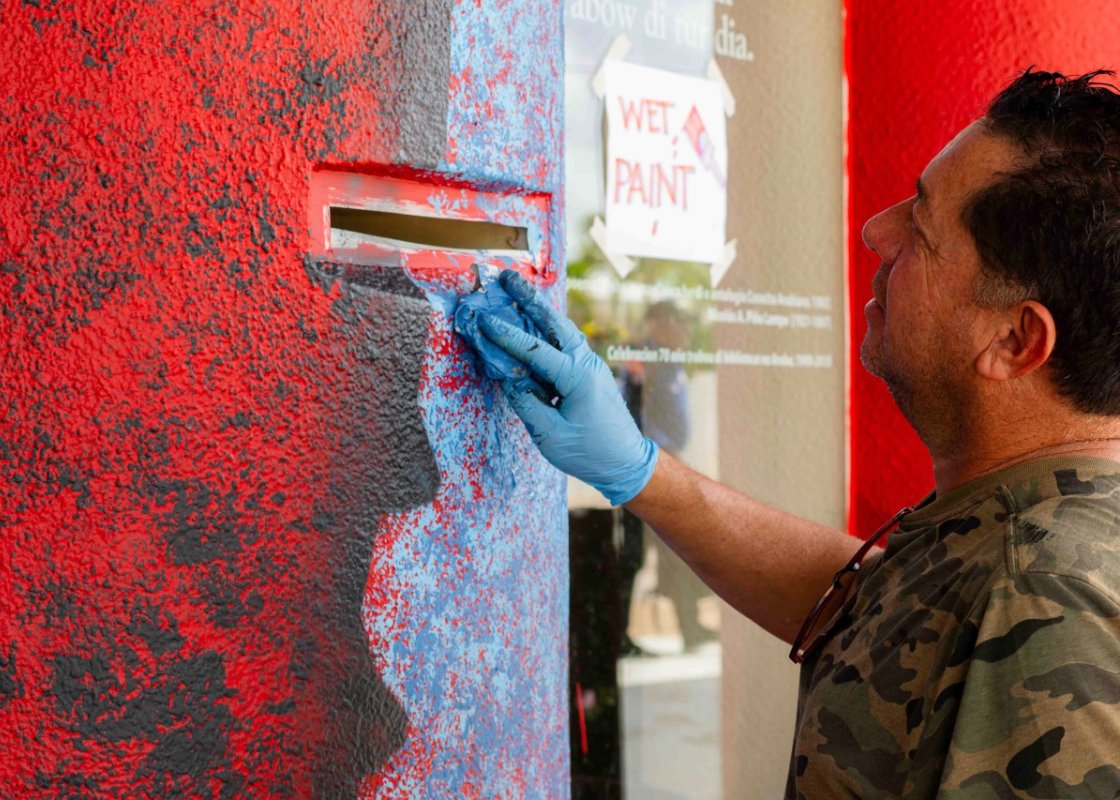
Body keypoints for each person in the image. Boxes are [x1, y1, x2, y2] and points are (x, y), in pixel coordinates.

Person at [454, 69, 1120, 797]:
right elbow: (889, 609)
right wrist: (641, 473)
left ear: (1017, 341)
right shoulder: (1035, 521)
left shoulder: (1049, 594)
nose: (877, 231)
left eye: (922, 230)